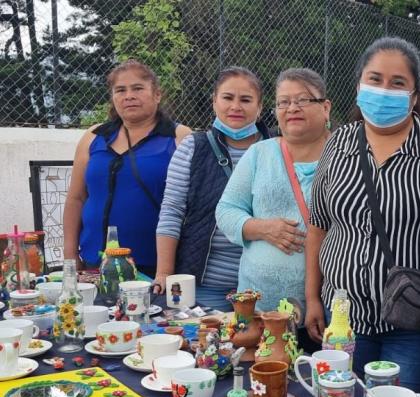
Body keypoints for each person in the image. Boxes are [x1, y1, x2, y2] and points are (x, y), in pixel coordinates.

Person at [304, 37, 420, 396]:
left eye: (397, 83)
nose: (384, 91)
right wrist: (312, 298)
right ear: (359, 84)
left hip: (409, 324)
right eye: (375, 79)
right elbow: (318, 225)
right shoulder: (339, 142)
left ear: (414, 94)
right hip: (342, 317)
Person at [154, 67, 270, 311]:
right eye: (228, 97)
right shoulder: (193, 148)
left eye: (246, 100)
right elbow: (172, 211)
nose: (236, 106)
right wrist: (164, 272)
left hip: (263, 286)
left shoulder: (278, 150)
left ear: (260, 107)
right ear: (214, 101)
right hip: (205, 286)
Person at [216, 68, 331, 315]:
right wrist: (262, 228)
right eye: (283, 102)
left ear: (325, 108)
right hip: (258, 308)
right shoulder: (260, 154)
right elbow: (226, 210)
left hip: (330, 306)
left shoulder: (346, 156)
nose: (292, 108)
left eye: (303, 100)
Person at [63, 60, 192, 277]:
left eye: (138, 88)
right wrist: (70, 255)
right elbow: (76, 198)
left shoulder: (178, 137)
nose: (129, 96)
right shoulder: (94, 137)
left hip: (157, 268)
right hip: (95, 262)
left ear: (157, 95)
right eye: (120, 90)